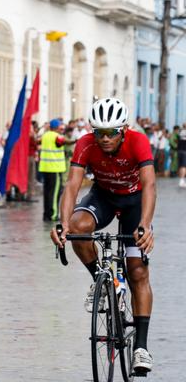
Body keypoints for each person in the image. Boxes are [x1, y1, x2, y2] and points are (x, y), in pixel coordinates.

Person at [51, 98, 155, 375]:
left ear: (124, 130)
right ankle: (103, 281)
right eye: (99, 133)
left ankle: (141, 348)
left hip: (134, 202)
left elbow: (149, 184)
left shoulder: (138, 142)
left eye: (111, 133)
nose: (105, 138)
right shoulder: (85, 144)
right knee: (77, 226)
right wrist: (62, 223)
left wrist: (145, 224)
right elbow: (72, 184)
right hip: (104, 196)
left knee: (137, 271)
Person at [39, 119, 67, 221]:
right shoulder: (57, 136)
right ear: (56, 127)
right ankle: (53, 214)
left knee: (47, 193)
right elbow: (62, 142)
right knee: (55, 193)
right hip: (55, 168)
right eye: (60, 127)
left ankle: (46, 214)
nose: (61, 129)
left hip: (46, 168)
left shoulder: (45, 135)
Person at [178, 123, 186, 188]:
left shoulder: (180, 132)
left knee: (181, 166)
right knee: (184, 166)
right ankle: (182, 181)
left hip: (179, 151)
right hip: (184, 151)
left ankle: (181, 180)